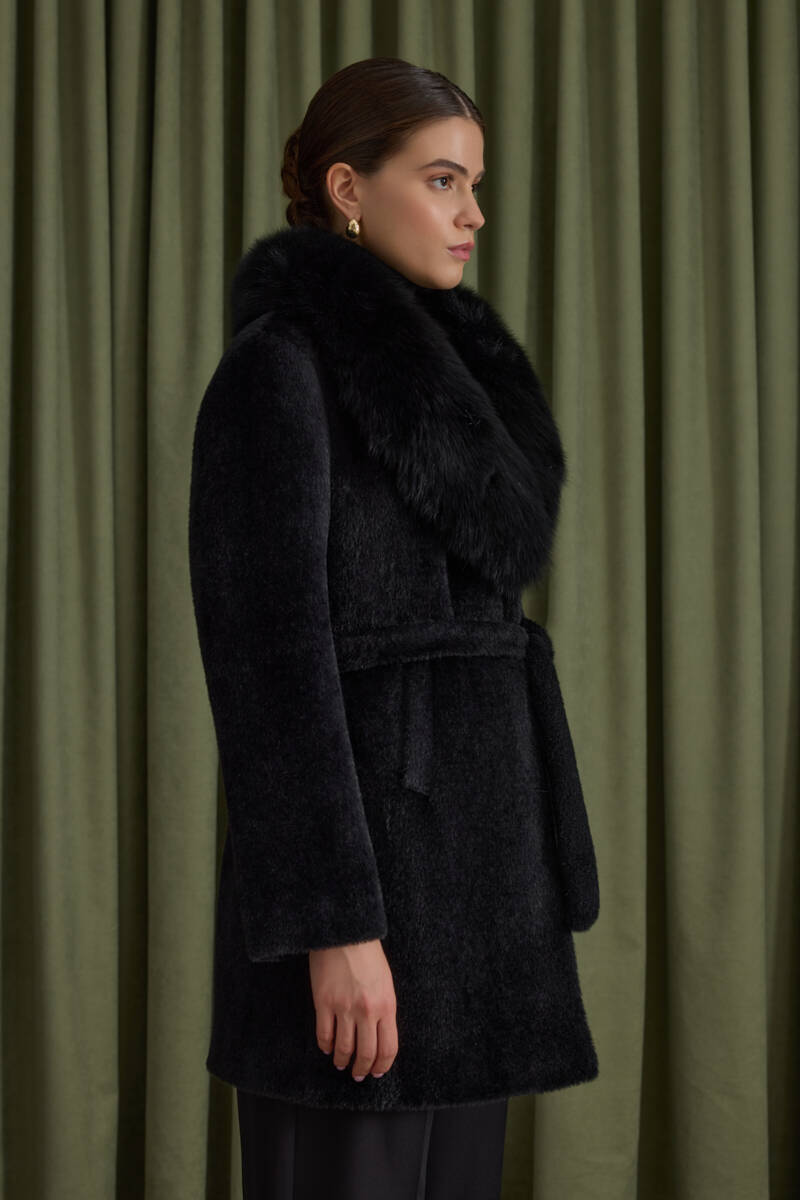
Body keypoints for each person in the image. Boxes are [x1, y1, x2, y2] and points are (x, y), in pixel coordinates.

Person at [187, 55, 600, 1200]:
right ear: (347, 190)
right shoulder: (277, 376)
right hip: (355, 921)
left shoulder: (456, 394)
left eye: (475, 184)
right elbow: (266, 673)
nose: (473, 215)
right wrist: (335, 930)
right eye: (441, 180)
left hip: (480, 917)